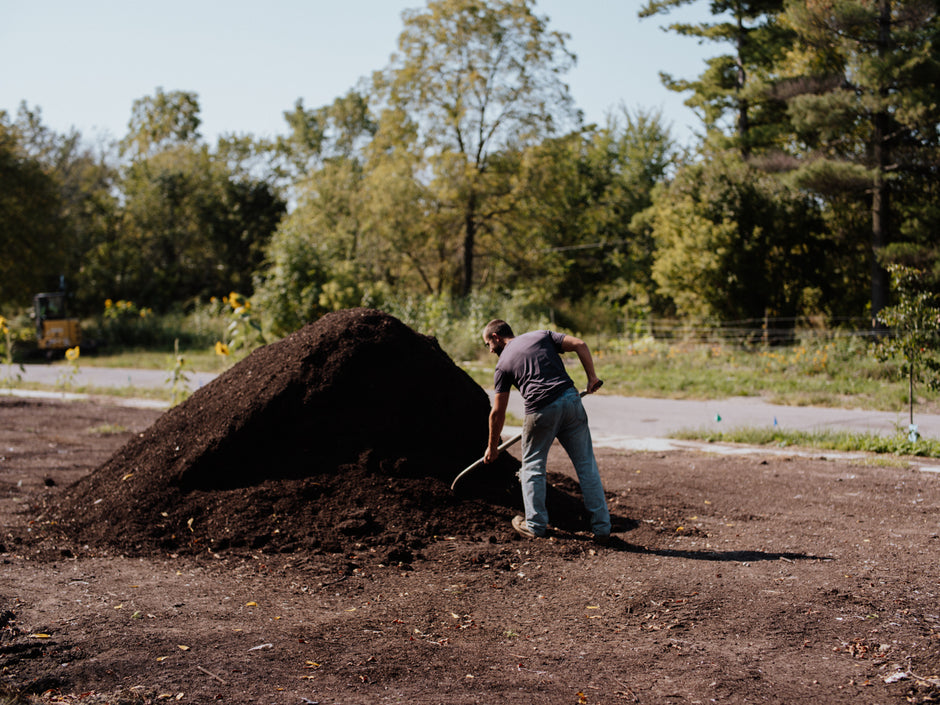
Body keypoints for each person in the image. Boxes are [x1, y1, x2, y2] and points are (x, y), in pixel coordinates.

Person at [481, 319, 611, 543]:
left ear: (495, 337)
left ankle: (535, 525)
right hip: (571, 402)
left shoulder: (502, 365)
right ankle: (602, 528)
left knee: (532, 467)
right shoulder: (541, 335)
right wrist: (592, 377)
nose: (490, 350)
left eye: (488, 344)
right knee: (586, 466)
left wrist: (492, 448)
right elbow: (580, 343)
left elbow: (497, 412)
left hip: (541, 410)